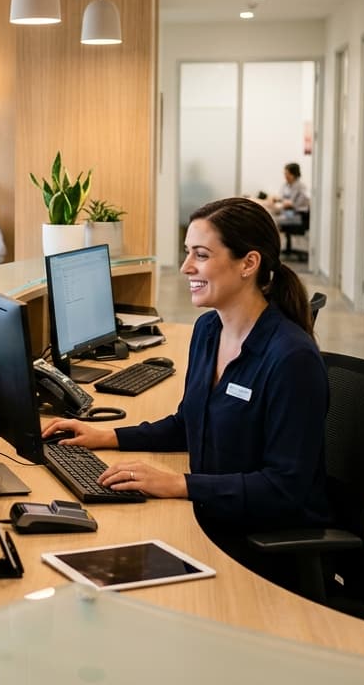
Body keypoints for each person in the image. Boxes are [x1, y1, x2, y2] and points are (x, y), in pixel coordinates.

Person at [42, 196, 329, 578]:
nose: (185, 266)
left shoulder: (291, 359)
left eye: (201, 255)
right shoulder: (209, 330)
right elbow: (190, 423)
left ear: (249, 263)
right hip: (210, 511)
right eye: (187, 252)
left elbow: (284, 489)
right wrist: (106, 436)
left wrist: (179, 484)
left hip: (257, 541)